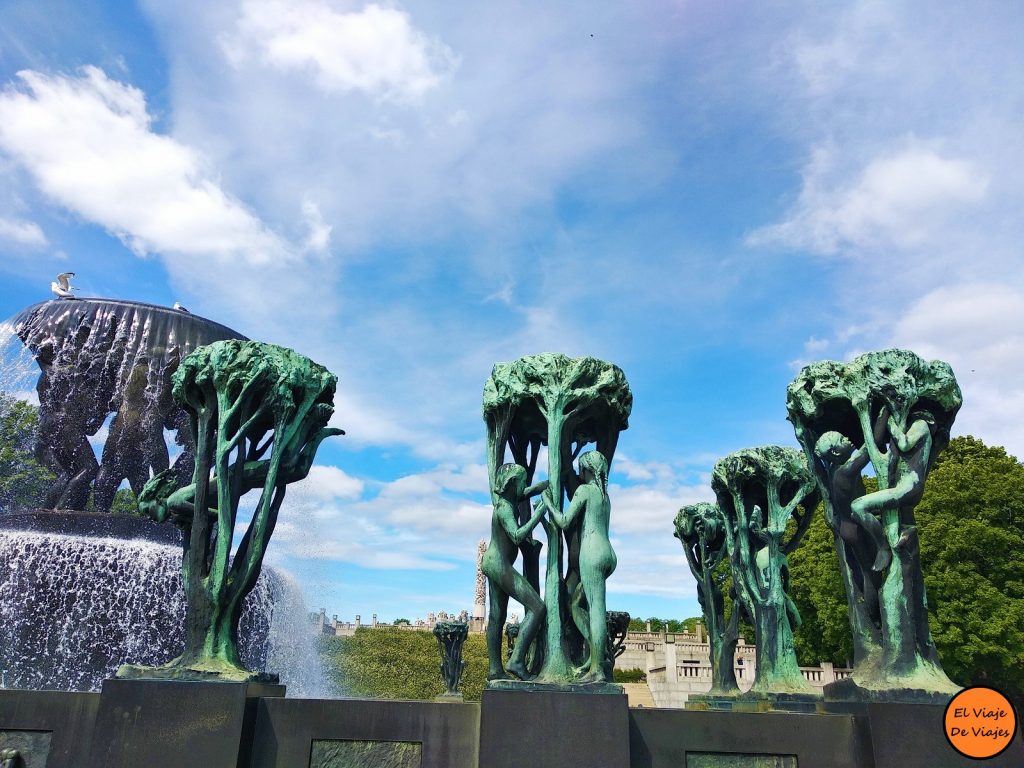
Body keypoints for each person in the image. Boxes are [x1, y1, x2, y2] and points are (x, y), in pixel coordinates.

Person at [539, 450, 616, 682]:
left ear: (588, 469)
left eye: (582, 468)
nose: (580, 473)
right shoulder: (605, 496)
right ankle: (593, 658)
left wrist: (547, 503)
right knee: (576, 606)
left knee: (596, 610)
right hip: (608, 553)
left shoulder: (585, 491)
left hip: (591, 553)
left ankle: (598, 670)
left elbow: (563, 521)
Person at [482, 464, 549, 680]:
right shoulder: (504, 508)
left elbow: (523, 493)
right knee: (537, 608)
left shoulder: (507, 500)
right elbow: (517, 535)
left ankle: (495, 670)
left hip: (493, 562)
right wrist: (538, 514)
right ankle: (517, 661)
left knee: (497, 616)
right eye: (522, 482)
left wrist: (540, 487)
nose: (524, 486)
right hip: (499, 564)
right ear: (512, 484)